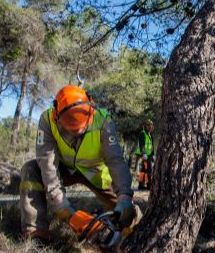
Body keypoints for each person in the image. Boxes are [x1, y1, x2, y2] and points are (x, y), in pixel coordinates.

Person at [19, 85, 136, 243]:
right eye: (72, 131)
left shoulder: (103, 121)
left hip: (96, 174)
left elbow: (116, 162)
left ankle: (135, 235)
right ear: (56, 116)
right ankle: (35, 233)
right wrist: (63, 208)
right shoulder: (47, 121)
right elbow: (48, 166)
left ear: (91, 107)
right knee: (31, 169)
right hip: (64, 169)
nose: (78, 133)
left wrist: (125, 198)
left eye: (82, 129)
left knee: (126, 212)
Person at [134, 119, 154, 190]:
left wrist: (153, 154)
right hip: (142, 155)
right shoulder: (142, 133)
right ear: (145, 126)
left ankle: (147, 185)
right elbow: (141, 145)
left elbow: (151, 146)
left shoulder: (150, 135)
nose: (149, 127)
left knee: (148, 170)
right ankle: (142, 185)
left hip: (148, 155)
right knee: (144, 170)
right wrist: (144, 154)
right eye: (148, 125)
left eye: (150, 125)